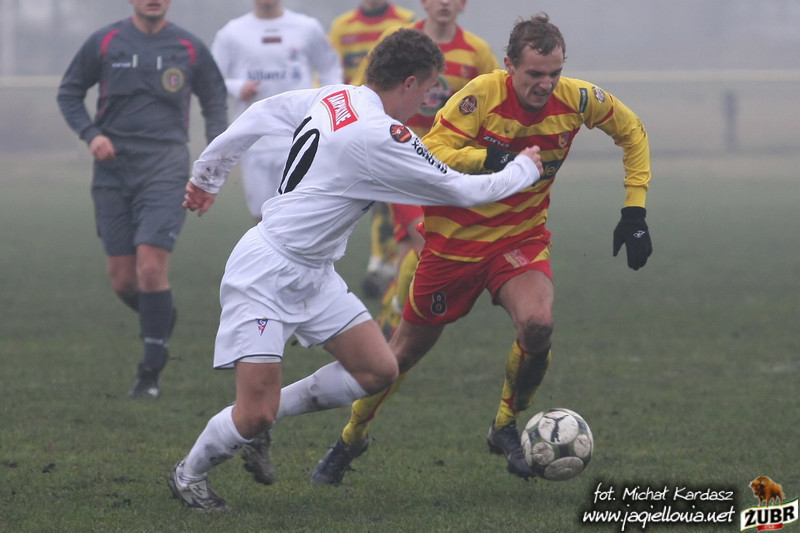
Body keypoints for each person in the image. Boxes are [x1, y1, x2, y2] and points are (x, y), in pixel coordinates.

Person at [166, 28, 544, 511]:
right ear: (409, 83)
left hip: (314, 271)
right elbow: (460, 190)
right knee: (253, 413)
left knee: (377, 370)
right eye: (429, 89)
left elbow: (260, 113)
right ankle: (189, 475)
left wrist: (207, 175)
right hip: (265, 272)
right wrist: (524, 169)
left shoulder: (336, 96)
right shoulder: (381, 135)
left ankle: (262, 418)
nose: (427, 103)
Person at [309, 12, 653, 485]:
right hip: (452, 247)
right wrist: (492, 158)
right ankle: (351, 438)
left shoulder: (577, 99)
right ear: (509, 65)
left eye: (554, 73)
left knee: (538, 326)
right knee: (399, 358)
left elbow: (632, 131)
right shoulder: (480, 96)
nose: (546, 84)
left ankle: (504, 424)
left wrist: (634, 210)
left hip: (519, 240)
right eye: (535, 74)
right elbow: (432, 150)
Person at [56, 0, 227, 399]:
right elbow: (68, 93)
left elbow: (215, 101)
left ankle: (149, 373)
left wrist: (215, 160)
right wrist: (91, 135)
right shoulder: (105, 41)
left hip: (165, 166)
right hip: (113, 169)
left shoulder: (189, 47)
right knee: (123, 281)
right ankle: (160, 316)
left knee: (151, 267)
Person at [353, 0, 500, 325]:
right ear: (424, 2)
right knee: (425, 244)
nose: (444, 2)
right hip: (401, 165)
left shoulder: (476, 51)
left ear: (462, 4)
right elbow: (364, 90)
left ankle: (391, 319)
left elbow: (494, 103)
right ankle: (400, 323)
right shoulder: (399, 42)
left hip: (446, 169)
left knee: (415, 253)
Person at [211, 0, 343, 221]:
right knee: (262, 218)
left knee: (298, 215)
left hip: (299, 136)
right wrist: (238, 87)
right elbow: (211, 79)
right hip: (255, 142)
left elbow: (330, 67)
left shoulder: (307, 27)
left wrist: (327, 105)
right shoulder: (231, 33)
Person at [329, 0, 417, 298]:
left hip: (396, 122)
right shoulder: (342, 27)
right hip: (355, 120)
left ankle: (384, 262)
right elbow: (331, 72)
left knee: (387, 196)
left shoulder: (405, 20)